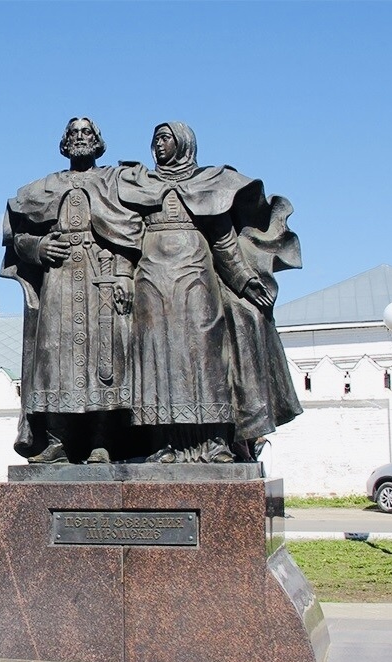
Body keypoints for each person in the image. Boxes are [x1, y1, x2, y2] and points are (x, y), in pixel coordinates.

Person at [117, 121, 301, 462]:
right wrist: (122, 276)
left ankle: (214, 443)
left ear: (184, 143)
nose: (158, 145)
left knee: (206, 357)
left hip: (196, 278)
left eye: (165, 139)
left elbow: (223, 240)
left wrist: (245, 280)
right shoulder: (139, 185)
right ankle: (163, 444)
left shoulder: (208, 184)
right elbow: (125, 239)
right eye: (155, 139)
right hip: (152, 280)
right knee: (156, 359)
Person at [2, 117, 143, 463]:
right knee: (54, 359)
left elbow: (130, 232)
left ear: (97, 141)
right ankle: (57, 442)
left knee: (105, 359)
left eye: (87, 133)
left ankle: (102, 442)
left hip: (102, 276)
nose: (80, 138)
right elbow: (16, 236)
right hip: (59, 280)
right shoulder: (44, 187)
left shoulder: (113, 182)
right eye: (74, 133)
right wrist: (38, 248)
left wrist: (125, 274)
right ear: (64, 143)